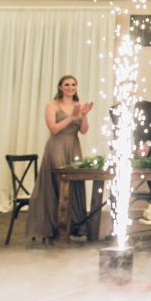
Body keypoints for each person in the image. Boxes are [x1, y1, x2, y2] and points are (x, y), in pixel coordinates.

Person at [26, 75, 93, 243]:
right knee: (59, 183)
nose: (70, 87)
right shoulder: (52, 105)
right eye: (67, 84)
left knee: (75, 184)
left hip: (74, 146)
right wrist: (71, 117)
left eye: (73, 84)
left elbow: (84, 130)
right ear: (60, 87)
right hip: (57, 147)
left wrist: (83, 115)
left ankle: (74, 226)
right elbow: (53, 129)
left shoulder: (78, 105)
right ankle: (56, 226)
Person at [112, 100, 151, 240]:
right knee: (116, 190)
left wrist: (148, 144)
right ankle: (115, 229)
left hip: (150, 155)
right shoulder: (114, 109)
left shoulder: (148, 106)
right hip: (125, 155)